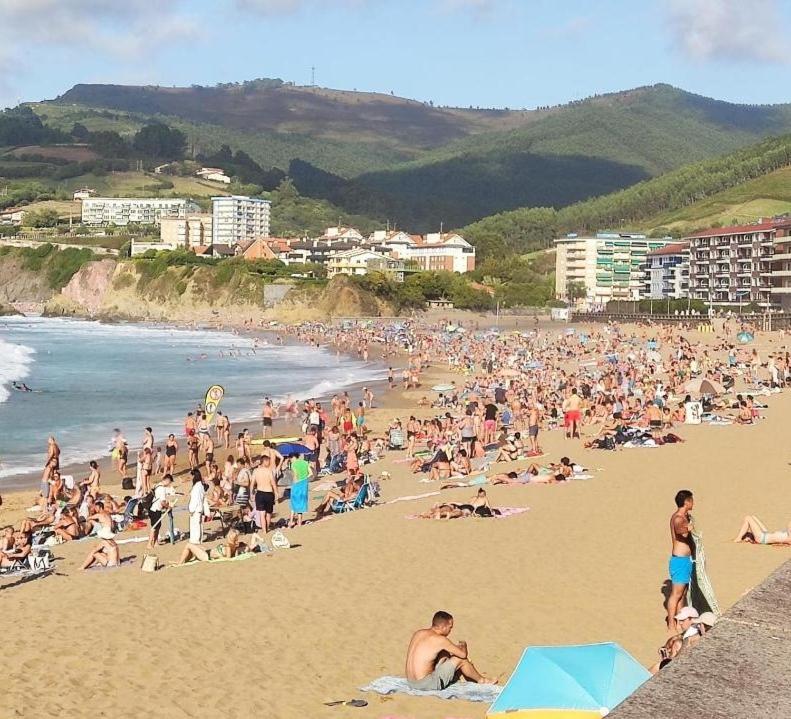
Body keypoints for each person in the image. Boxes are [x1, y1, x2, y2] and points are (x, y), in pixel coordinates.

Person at [405, 611, 495, 691]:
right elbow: (462, 655)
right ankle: (482, 680)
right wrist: (463, 644)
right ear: (443, 627)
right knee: (460, 660)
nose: (450, 630)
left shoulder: (419, 633)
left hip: (411, 681)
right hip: (425, 685)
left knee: (444, 653)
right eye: (450, 627)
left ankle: (459, 674)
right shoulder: (440, 640)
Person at [667, 490, 695, 632]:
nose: (693, 503)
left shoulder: (684, 516)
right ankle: (671, 623)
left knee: (683, 594)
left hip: (685, 560)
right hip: (679, 560)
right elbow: (682, 532)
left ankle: (679, 621)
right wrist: (688, 527)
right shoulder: (678, 518)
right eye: (691, 500)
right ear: (687, 502)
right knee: (676, 594)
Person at [81, 501, 120, 570]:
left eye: (96, 507)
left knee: (94, 552)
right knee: (102, 550)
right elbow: (112, 525)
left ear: (99, 507)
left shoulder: (99, 515)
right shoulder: (107, 513)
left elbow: (88, 518)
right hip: (110, 530)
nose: (95, 509)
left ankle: (82, 567)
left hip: (110, 564)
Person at [250, 455, 279, 533]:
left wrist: (251, 493)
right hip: (268, 493)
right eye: (268, 461)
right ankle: (267, 528)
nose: (270, 463)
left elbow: (252, 484)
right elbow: (273, 483)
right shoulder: (269, 471)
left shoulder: (256, 471)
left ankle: (264, 531)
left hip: (260, 493)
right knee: (268, 513)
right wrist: (276, 492)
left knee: (262, 513)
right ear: (264, 461)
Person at [147, 474, 174, 549]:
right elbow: (162, 502)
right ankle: (149, 544)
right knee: (154, 527)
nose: (169, 484)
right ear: (167, 480)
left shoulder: (157, 485)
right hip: (155, 509)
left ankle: (155, 542)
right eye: (170, 482)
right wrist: (168, 507)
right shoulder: (162, 488)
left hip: (155, 509)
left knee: (158, 526)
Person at [289, 453, 313, 528]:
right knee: (301, 503)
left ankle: (290, 522)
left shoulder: (293, 465)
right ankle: (299, 523)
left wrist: (294, 483)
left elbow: (296, 475)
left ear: (292, 457)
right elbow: (311, 473)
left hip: (297, 484)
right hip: (304, 484)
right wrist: (304, 478)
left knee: (293, 503)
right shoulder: (305, 462)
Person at [188, 470, 207, 545]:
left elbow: (195, 499)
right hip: (199, 508)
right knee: (198, 525)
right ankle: (198, 539)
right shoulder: (200, 486)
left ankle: (196, 540)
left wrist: (191, 509)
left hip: (195, 509)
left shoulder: (196, 487)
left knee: (195, 526)